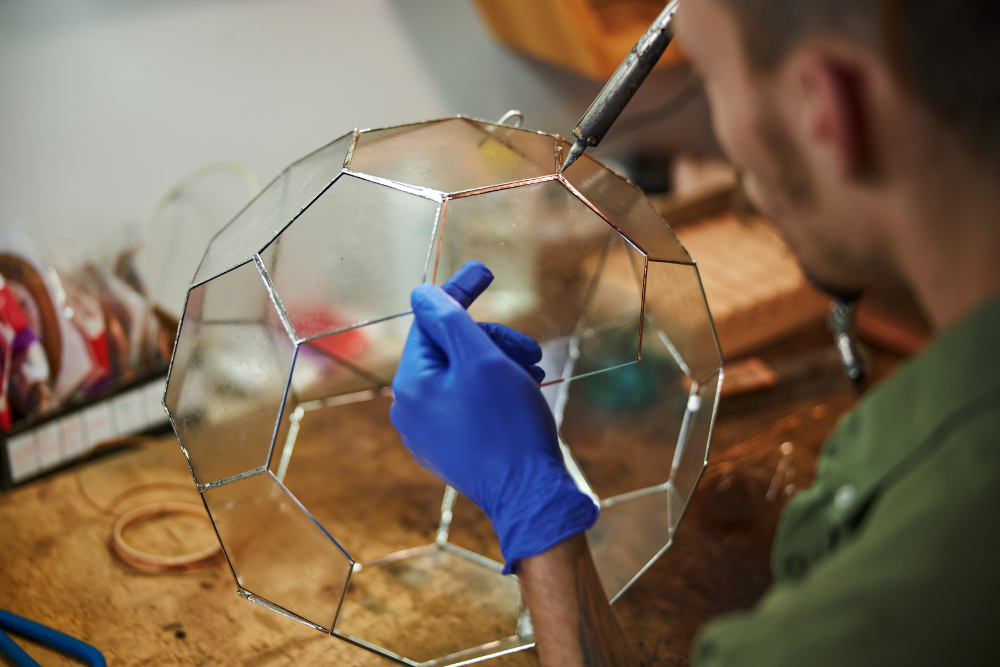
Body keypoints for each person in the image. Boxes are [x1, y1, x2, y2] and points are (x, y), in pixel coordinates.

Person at [390, 0, 1000, 664]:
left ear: (825, 105)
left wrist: (527, 499)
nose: (723, 138)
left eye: (709, 78)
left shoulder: (924, 578)